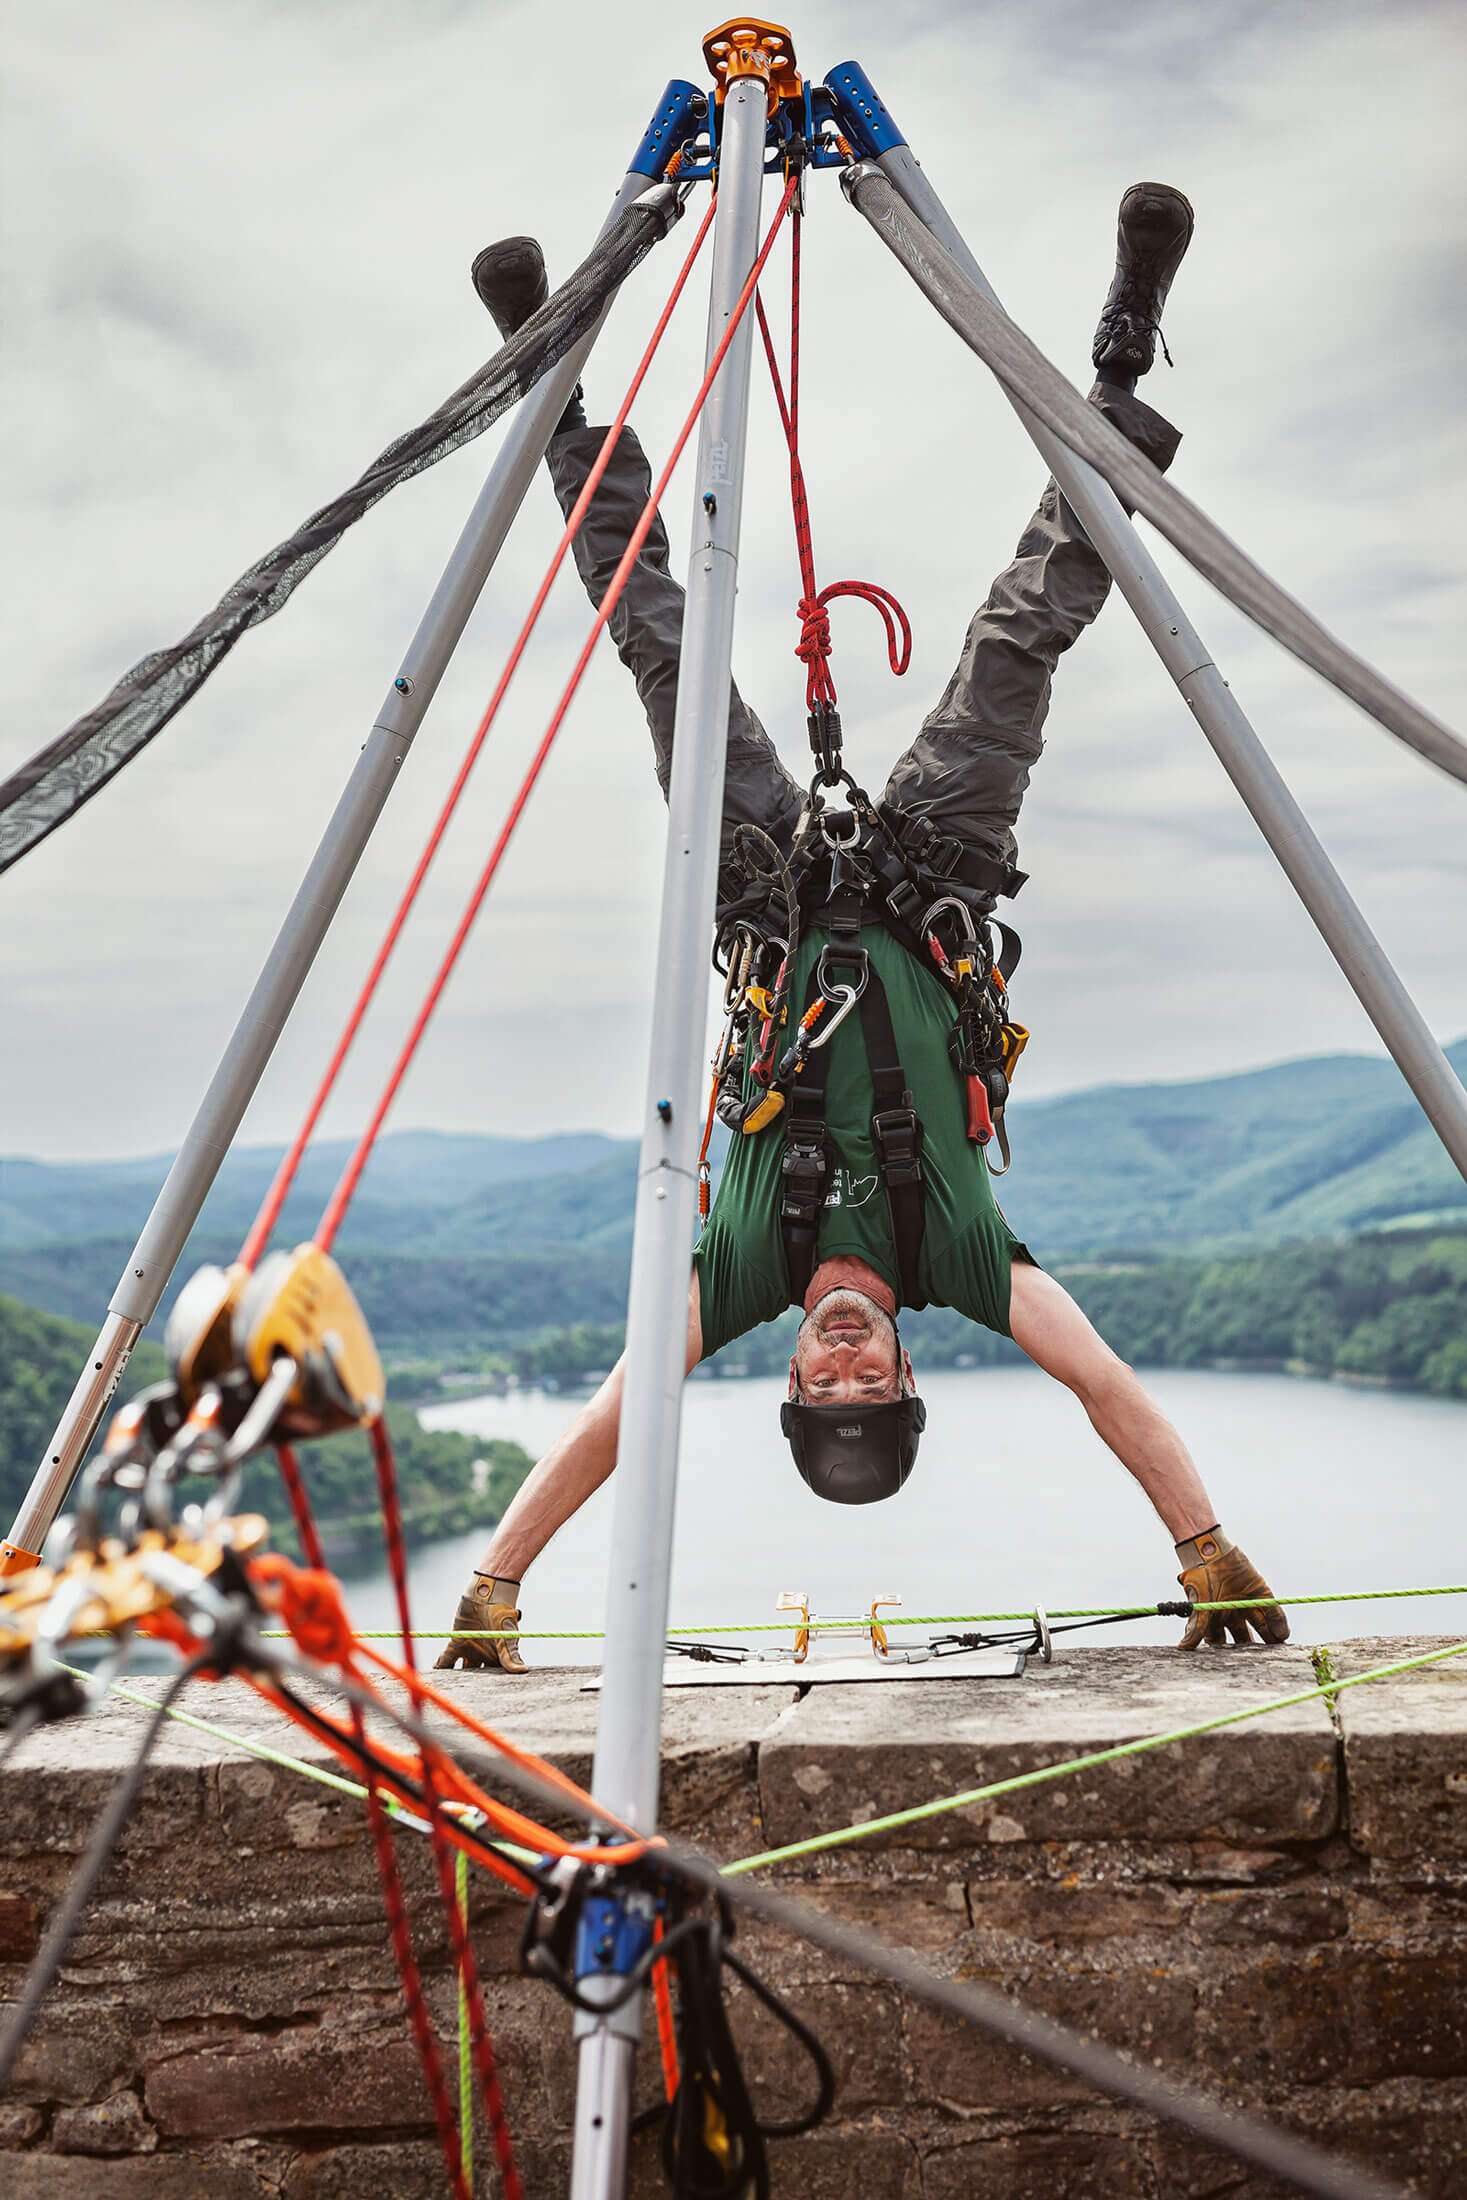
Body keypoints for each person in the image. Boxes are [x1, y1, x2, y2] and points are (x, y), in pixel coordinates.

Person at [436, 184, 1288, 1672]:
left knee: (664, 649)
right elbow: (1105, 1388)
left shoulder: (747, 1269)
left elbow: (612, 1423)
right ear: (904, 1367)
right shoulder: (959, 1257)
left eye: (825, 1394)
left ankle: (557, 394)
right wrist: (1203, 1543)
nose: (841, 1368)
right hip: (933, 880)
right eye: (867, 1387)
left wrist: (497, 1579)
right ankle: (1123, 372)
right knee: (1021, 638)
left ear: (797, 1380)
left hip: (769, 891)